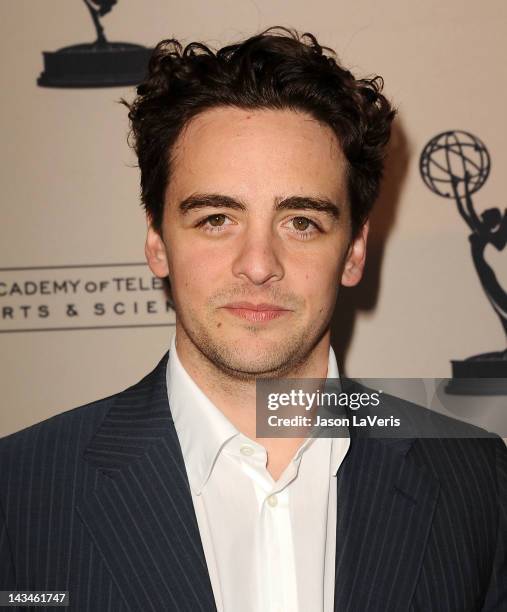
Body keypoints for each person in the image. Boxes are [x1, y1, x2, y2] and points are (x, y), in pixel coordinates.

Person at [0, 27, 505, 612]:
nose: (259, 265)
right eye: (216, 218)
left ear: (356, 251)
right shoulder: (20, 494)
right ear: (157, 242)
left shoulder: (475, 481)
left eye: (301, 222)